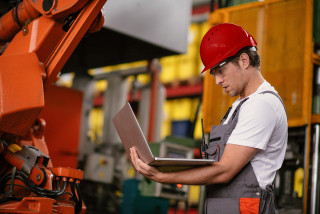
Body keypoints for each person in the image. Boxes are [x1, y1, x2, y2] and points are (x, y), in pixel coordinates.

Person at [130, 23, 288, 214]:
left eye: (220, 71)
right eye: (214, 73)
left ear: (244, 60)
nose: (217, 81)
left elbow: (224, 170)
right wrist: (166, 166)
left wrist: (162, 176)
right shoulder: (241, 105)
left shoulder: (262, 105)